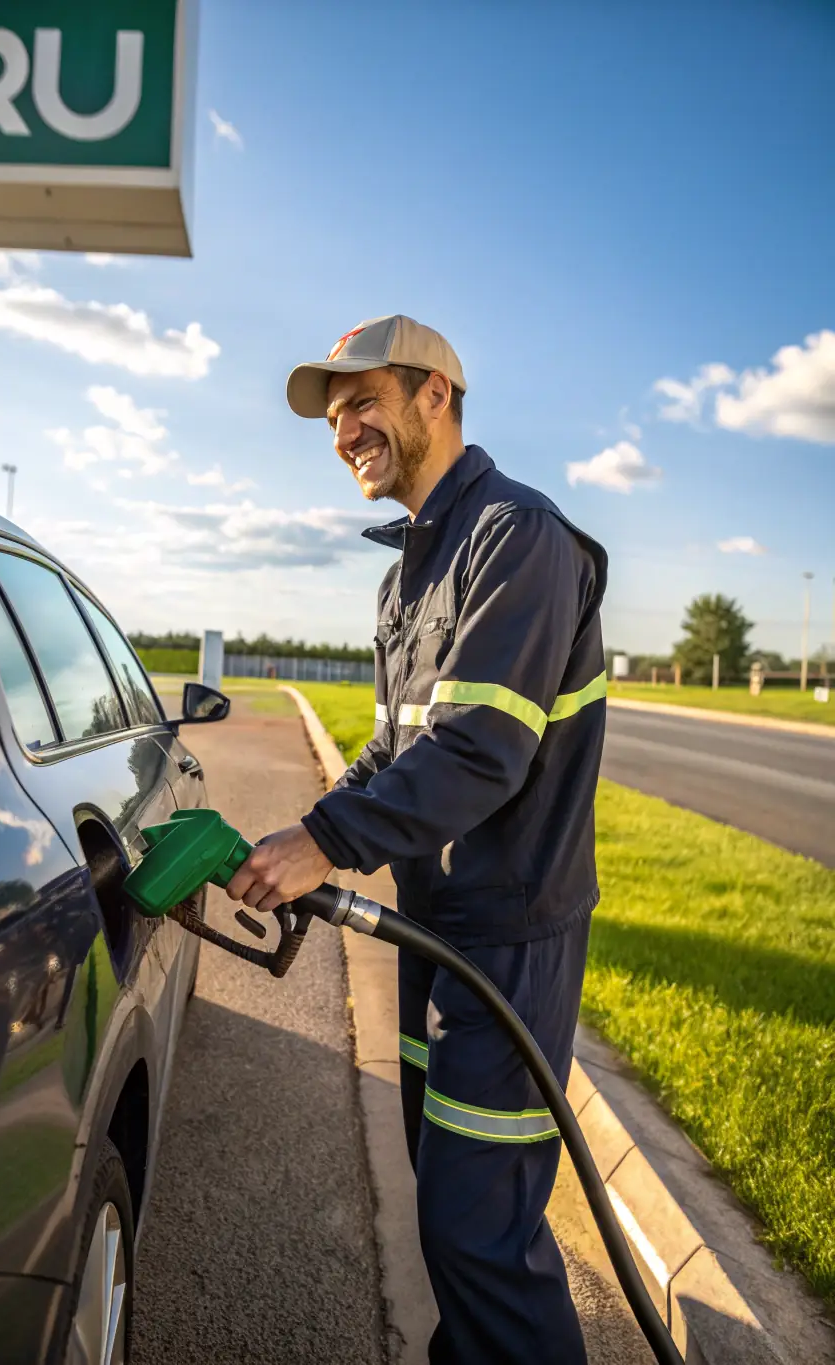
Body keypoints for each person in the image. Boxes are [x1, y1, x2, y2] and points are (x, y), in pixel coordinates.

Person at [226, 314, 607, 1365]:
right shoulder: (409, 574)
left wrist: (328, 841)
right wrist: (298, 833)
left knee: (478, 1236)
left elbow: (482, 751)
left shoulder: (515, 539)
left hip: (508, 945)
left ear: (436, 394)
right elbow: (399, 751)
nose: (344, 428)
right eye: (333, 412)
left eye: (363, 401)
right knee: (448, 1215)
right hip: (436, 934)